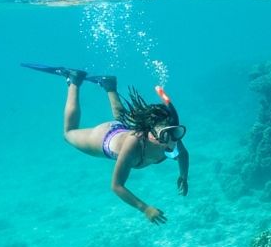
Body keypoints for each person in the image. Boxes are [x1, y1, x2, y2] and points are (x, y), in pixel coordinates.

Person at [61, 70, 189, 224]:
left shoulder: (170, 136)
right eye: (164, 136)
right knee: (68, 134)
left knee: (123, 119)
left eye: (176, 133)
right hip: (104, 137)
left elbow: (183, 154)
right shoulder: (133, 145)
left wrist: (183, 175)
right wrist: (145, 208)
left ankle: (109, 86)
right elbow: (116, 185)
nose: (172, 142)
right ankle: (74, 81)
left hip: (126, 128)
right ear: (148, 134)